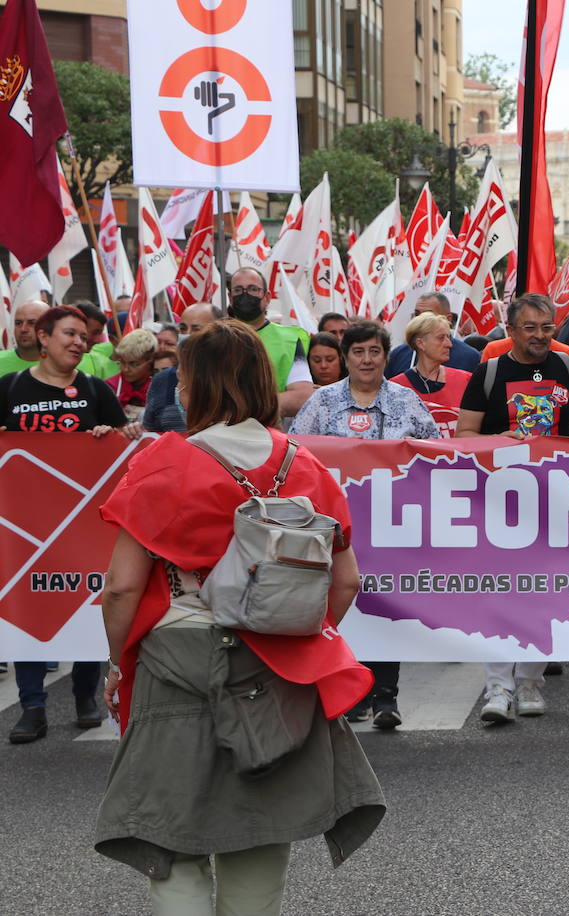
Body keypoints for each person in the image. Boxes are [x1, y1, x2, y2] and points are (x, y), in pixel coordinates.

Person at [95, 320, 384, 914]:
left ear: (194, 387)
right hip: (276, 668)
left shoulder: (163, 463)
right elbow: (346, 579)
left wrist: (116, 665)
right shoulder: (307, 466)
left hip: (177, 656)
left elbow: (122, 589)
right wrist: (297, 631)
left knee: (172, 841)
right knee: (257, 836)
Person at [291, 321, 440, 729]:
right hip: (335, 529)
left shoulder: (407, 402)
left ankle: (385, 698)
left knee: (384, 606)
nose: (367, 360)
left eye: (374, 351)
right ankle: (352, 692)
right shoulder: (321, 403)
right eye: (358, 352)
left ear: (385, 356)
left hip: (393, 525)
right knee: (344, 604)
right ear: (346, 357)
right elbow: (293, 454)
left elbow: (436, 454)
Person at [2, 305, 140, 743]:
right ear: (43, 338)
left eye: (84, 336)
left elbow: (124, 451)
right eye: (70, 334)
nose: (80, 342)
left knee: (83, 604)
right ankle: (32, 706)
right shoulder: (10, 388)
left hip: (83, 523)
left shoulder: (96, 390)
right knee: (26, 606)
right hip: (24, 521)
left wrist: (113, 435)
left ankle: (85, 696)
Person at [457, 293, 569, 723]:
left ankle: (530, 682)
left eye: (547, 327)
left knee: (542, 594)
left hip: (554, 497)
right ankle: (498, 688)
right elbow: (464, 434)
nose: (539, 335)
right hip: (501, 501)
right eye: (529, 327)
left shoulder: (567, 366)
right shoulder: (489, 372)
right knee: (499, 595)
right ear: (510, 330)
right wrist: (501, 441)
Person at [226, 267, 315, 417]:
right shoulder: (214, 338)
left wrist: (242, 410)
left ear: (267, 297)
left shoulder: (290, 339)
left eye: (253, 289)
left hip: (269, 433)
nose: (245, 294)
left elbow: (301, 397)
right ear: (230, 297)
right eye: (238, 290)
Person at [390, 311, 472, 438]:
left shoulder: (466, 380)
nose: (449, 344)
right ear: (421, 343)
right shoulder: (395, 388)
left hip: (458, 457)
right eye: (441, 338)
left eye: (448, 337)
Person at [143, 303, 222, 434]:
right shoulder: (162, 380)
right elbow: (149, 435)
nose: (187, 335)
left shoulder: (231, 378)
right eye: (183, 329)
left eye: (196, 329)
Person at [383, 292, 480, 377]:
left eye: (427, 315)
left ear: (448, 319)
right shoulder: (398, 355)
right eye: (417, 314)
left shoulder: (470, 357)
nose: (419, 319)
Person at [106, 328, 158, 419]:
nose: (125, 369)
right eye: (122, 362)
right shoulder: (109, 386)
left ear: (151, 361)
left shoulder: (160, 387)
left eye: (133, 364)